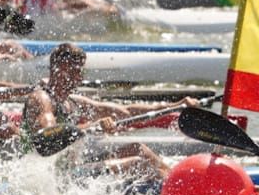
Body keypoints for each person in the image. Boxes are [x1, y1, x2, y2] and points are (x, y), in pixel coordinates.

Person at [18, 42, 185, 178]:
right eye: (75, 71)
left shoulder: (72, 102)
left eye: (80, 71)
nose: (80, 77)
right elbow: (47, 138)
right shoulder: (41, 99)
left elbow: (125, 111)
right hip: (51, 177)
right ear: (59, 69)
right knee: (137, 164)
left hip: (71, 169)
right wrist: (91, 127)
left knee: (138, 149)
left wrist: (176, 105)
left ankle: (177, 183)